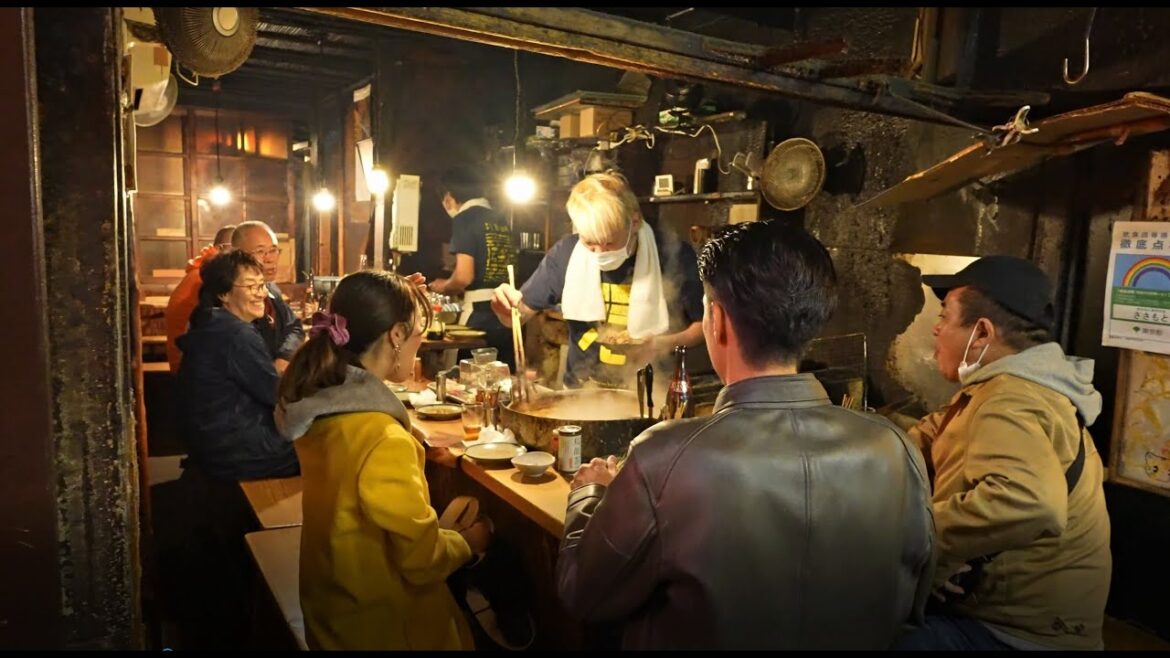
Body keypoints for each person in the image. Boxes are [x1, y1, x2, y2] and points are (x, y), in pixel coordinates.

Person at [555, 219, 934, 649]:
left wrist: (589, 494)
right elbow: (914, 600)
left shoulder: (663, 458)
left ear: (716, 321)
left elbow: (583, 593)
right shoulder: (897, 447)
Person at [894, 256, 1111, 651]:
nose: (937, 330)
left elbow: (1030, 502)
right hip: (1030, 616)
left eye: (944, 317)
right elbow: (935, 435)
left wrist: (912, 534)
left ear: (981, 334)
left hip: (1021, 634)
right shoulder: (1013, 389)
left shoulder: (1011, 398)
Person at [276, 270, 491, 650]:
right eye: (418, 329)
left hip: (332, 609)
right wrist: (469, 542)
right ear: (395, 335)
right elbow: (421, 560)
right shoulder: (383, 438)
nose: (420, 340)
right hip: (385, 625)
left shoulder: (319, 406)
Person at [490, 172, 703, 387]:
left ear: (635, 222)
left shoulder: (670, 252)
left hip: (650, 390)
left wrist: (661, 344)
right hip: (582, 392)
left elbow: (704, 325)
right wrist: (505, 309)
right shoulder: (566, 253)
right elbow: (516, 318)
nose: (600, 252)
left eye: (609, 242)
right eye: (590, 242)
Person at [174, 250, 300, 481]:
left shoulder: (211, 321)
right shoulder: (236, 334)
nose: (261, 294)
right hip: (233, 450)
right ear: (224, 293)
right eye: (252, 287)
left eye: (262, 286)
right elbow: (277, 395)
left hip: (211, 441)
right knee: (320, 443)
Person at [429, 166, 517, 366]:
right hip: (507, 314)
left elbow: (463, 276)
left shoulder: (465, 218)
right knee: (503, 380)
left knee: (470, 382)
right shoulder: (501, 219)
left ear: (449, 197)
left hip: (480, 314)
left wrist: (443, 286)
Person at [232, 220, 304, 372]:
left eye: (274, 250)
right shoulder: (234, 297)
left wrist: (284, 356)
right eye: (260, 252)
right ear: (238, 255)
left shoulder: (271, 288)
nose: (270, 259)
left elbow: (295, 327)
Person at [165, 224, 236, 373]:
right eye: (238, 250)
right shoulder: (205, 278)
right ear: (221, 248)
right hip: (188, 366)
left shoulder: (202, 272)